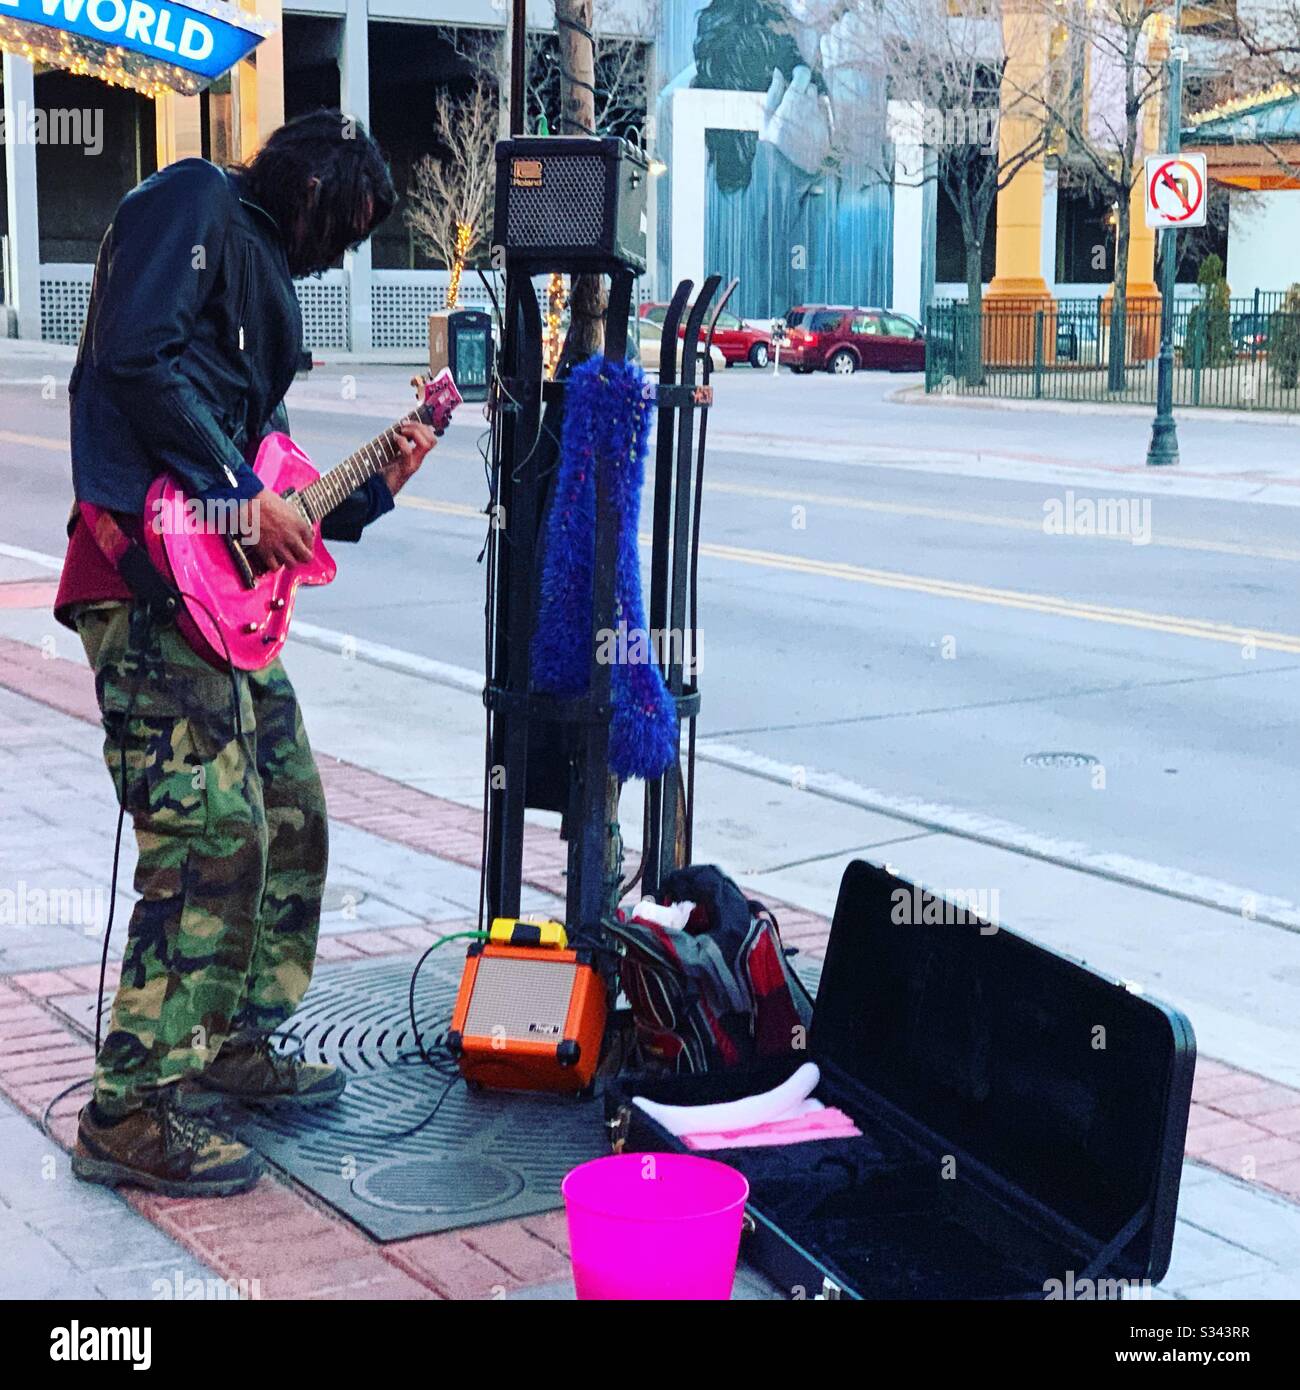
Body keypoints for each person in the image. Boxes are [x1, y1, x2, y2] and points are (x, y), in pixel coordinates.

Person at [53, 110, 437, 1197]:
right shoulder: (194, 201)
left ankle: (228, 1038)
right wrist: (234, 497)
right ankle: (129, 1108)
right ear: (312, 188)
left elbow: (266, 478)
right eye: (345, 228)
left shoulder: (259, 267)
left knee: (289, 810)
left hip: (215, 603)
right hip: (143, 582)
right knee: (209, 830)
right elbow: (136, 360)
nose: (342, 255)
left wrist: (369, 489)